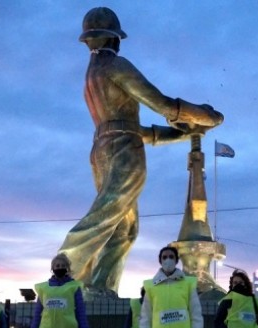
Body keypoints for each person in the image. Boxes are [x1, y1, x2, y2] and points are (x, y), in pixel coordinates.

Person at [59, 7, 224, 297]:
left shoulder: (93, 74)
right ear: (113, 39)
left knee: (124, 228)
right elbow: (161, 104)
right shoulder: (115, 66)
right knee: (106, 214)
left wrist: (183, 132)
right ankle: (64, 270)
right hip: (123, 150)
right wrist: (205, 115)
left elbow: (139, 130)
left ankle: (99, 287)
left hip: (104, 147)